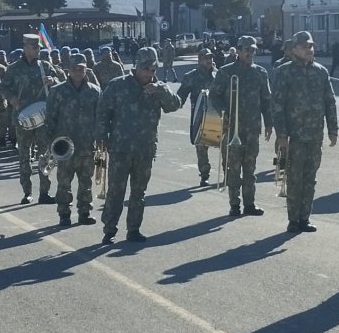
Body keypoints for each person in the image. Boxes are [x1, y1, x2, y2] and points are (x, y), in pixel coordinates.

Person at [94, 46, 183, 244]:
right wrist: (102, 139)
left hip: (145, 149)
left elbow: (175, 104)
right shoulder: (118, 85)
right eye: (146, 70)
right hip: (120, 148)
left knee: (138, 192)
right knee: (116, 191)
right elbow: (102, 112)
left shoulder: (158, 87)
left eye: (153, 70)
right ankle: (109, 229)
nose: (150, 74)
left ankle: (133, 229)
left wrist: (159, 92)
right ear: (136, 67)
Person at [269, 31, 338, 233]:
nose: (309, 49)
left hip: (315, 135)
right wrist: (281, 134)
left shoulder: (321, 72)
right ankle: (293, 219)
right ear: (294, 50)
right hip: (293, 137)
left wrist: (333, 129)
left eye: (311, 46)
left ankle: (305, 218)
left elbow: (330, 102)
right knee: (293, 178)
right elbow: (277, 105)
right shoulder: (283, 72)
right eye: (305, 46)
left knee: (310, 178)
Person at [215, 36, 274, 217]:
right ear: (238, 51)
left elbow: (266, 100)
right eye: (246, 50)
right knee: (233, 168)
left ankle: (250, 203)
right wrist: (224, 112)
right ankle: (234, 204)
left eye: (253, 50)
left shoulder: (260, 72)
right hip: (232, 128)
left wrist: (269, 123)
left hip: (252, 128)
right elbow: (214, 96)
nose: (250, 53)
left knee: (250, 167)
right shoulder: (226, 72)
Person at [46, 54, 103, 228]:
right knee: (64, 183)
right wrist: (49, 144)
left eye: (81, 68)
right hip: (64, 147)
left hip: (87, 146)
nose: (78, 72)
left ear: (86, 69)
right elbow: (50, 118)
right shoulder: (57, 91)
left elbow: (100, 118)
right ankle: (64, 214)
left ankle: (84, 212)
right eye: (74, 69)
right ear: (68, 71)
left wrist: (101, 139)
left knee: (86, 182)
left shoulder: (95, 91)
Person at [1, 33, 55, 204]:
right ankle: (27, 192)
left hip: (43, 118)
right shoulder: (14, 68)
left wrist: (52, 80)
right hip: (22, 117)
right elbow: (3, 87)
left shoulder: (45, 66)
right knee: (24, 156)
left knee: (44, 155)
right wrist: (11, 98)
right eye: (35, 47)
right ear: (25, 48)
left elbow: (60, 83)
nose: (38, 50)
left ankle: (44, 192)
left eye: (39, 47)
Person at [176, 48, 221, 186]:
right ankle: (204, 174)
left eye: (211, 58)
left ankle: (228, 173)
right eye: (206, 58)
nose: (209, 60)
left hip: (218, 116)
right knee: (201, 147)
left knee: (225, 145)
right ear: (200, 60)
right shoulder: (191, 77)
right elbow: (180, 96)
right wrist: (172, 102)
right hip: (200, 117)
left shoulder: (219, 75)